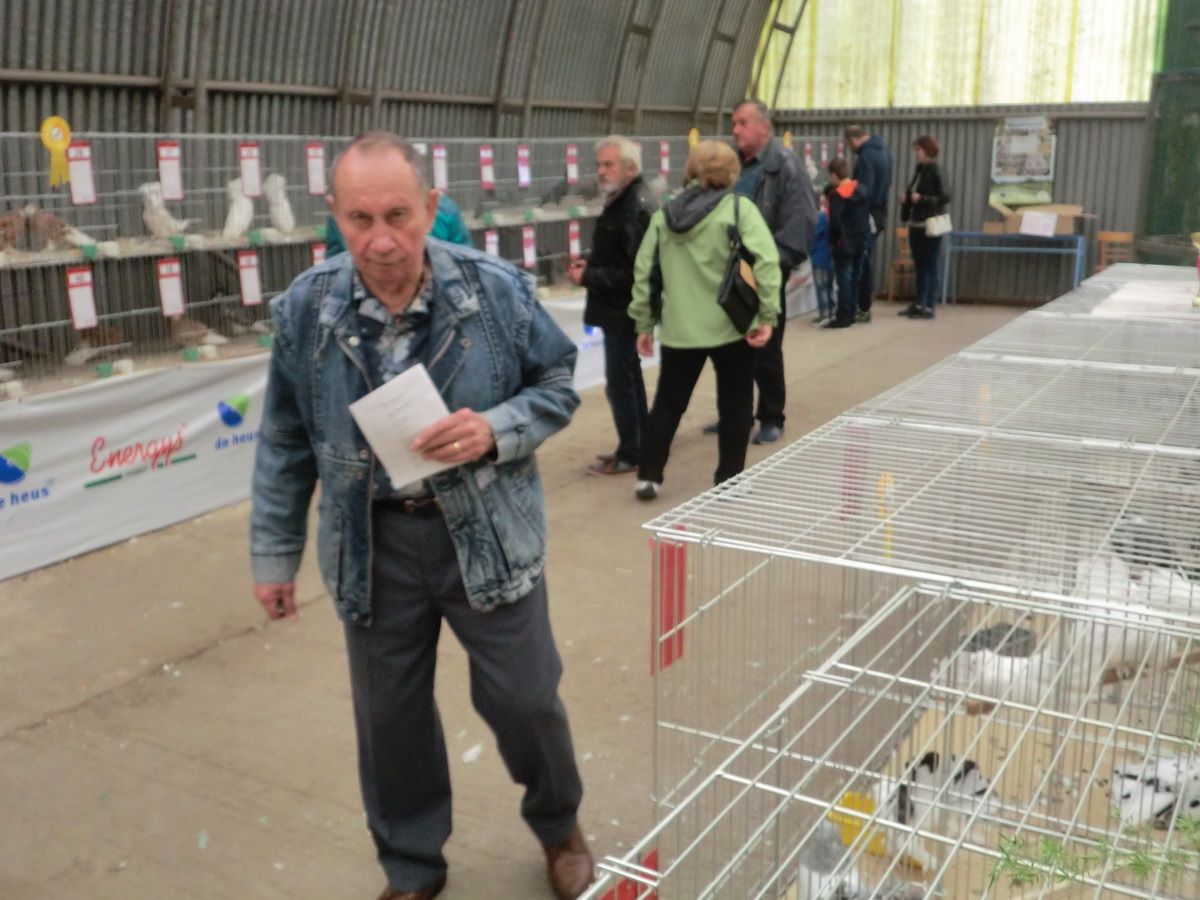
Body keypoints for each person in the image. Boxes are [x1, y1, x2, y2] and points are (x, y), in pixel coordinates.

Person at [249, 131, 593, 900]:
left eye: (398, 216)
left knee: (525, 699)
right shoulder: (307, 309)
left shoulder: (494, 292)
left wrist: (496, 428)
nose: (380, 241)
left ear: (432, 207)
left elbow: (558, 383)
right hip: (373, 544)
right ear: (334, 215)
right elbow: (284, 439)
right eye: (359, 219)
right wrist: (273, 555)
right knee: (390, 720)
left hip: (487, 532)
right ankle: (411, 865)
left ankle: (558, 824)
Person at [628, 140, 781, 501]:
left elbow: (644, 271)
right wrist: (767, 314)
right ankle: (729, 479)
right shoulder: (740, 210)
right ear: (732, 172)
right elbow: (767, 262)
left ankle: (649, 476)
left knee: (668, 404)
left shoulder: (665, 216)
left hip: (680, 329)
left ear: (692, 170)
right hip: (732, 326)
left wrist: (644, 323)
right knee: (735, 404)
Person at [700, 99, 816, 446]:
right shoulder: (731, 164)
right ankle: (735, 414)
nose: (734, 130)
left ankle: (771, 416)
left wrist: (769, 267)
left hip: (763, 272)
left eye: (742, 123)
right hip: (727, 272)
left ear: (764, 127)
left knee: (765, 348)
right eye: (733, 123)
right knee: (728, 350)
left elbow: (800, 222)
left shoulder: (785, 167)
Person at [566, 136, 657, 476]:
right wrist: (590, 266)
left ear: (630, 169)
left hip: (623, 308)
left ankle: (632, 452)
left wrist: (589, 276)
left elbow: (635, 271)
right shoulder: (623, 200)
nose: (601, 171)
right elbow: (619, 256)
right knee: (627, 378)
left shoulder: (633, 205)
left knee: (620, 381)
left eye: (609, 165)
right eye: (599, 165)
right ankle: (638, 444)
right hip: (619, 306)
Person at [842, 124, 892, 324]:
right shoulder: (885, 153)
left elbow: (864, 190)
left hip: (866, 215)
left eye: (849, 145)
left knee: (860, 261)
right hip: (880, 214)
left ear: (853, 140)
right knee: (865, 258)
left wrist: (844, 191)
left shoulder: (866, 157)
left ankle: (861, 307)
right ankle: (862, 305)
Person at [899, 134, 951, 319]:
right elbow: (915, 193)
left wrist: (921, 199)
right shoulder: (919, 169)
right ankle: (919, 302)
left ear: (928, 151)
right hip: (916, 223)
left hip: (931, 224)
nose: (916, 153)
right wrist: (907, 198)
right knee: (920, 264)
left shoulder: (937, 170)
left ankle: (929, 306)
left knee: (930, 264)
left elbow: (945, 196)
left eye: (918, 149)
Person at [325, 192, 473, 255]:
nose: (382, 245)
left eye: (398, 214)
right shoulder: (340, 215)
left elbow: (464, 259)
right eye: (361, 217)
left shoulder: (445, 210)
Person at [825, 157, 870, 329]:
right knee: (854, 279)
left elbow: (835, 222)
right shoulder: (863, 191)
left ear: (834, 175)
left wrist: (834, 241)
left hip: (843, 244)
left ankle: (843, 316)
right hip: (860, 241)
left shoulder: (836, 196)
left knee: (843, 280)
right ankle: (852, 313)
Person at [811, 187, 836, 325]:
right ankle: (831, 310)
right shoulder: (833, 216)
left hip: (819, 257)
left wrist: (810, 250)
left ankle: (824, 313)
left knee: (820, 286)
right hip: (831, 256)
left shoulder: (821, 217)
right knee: (829, 285)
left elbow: (814, 237)